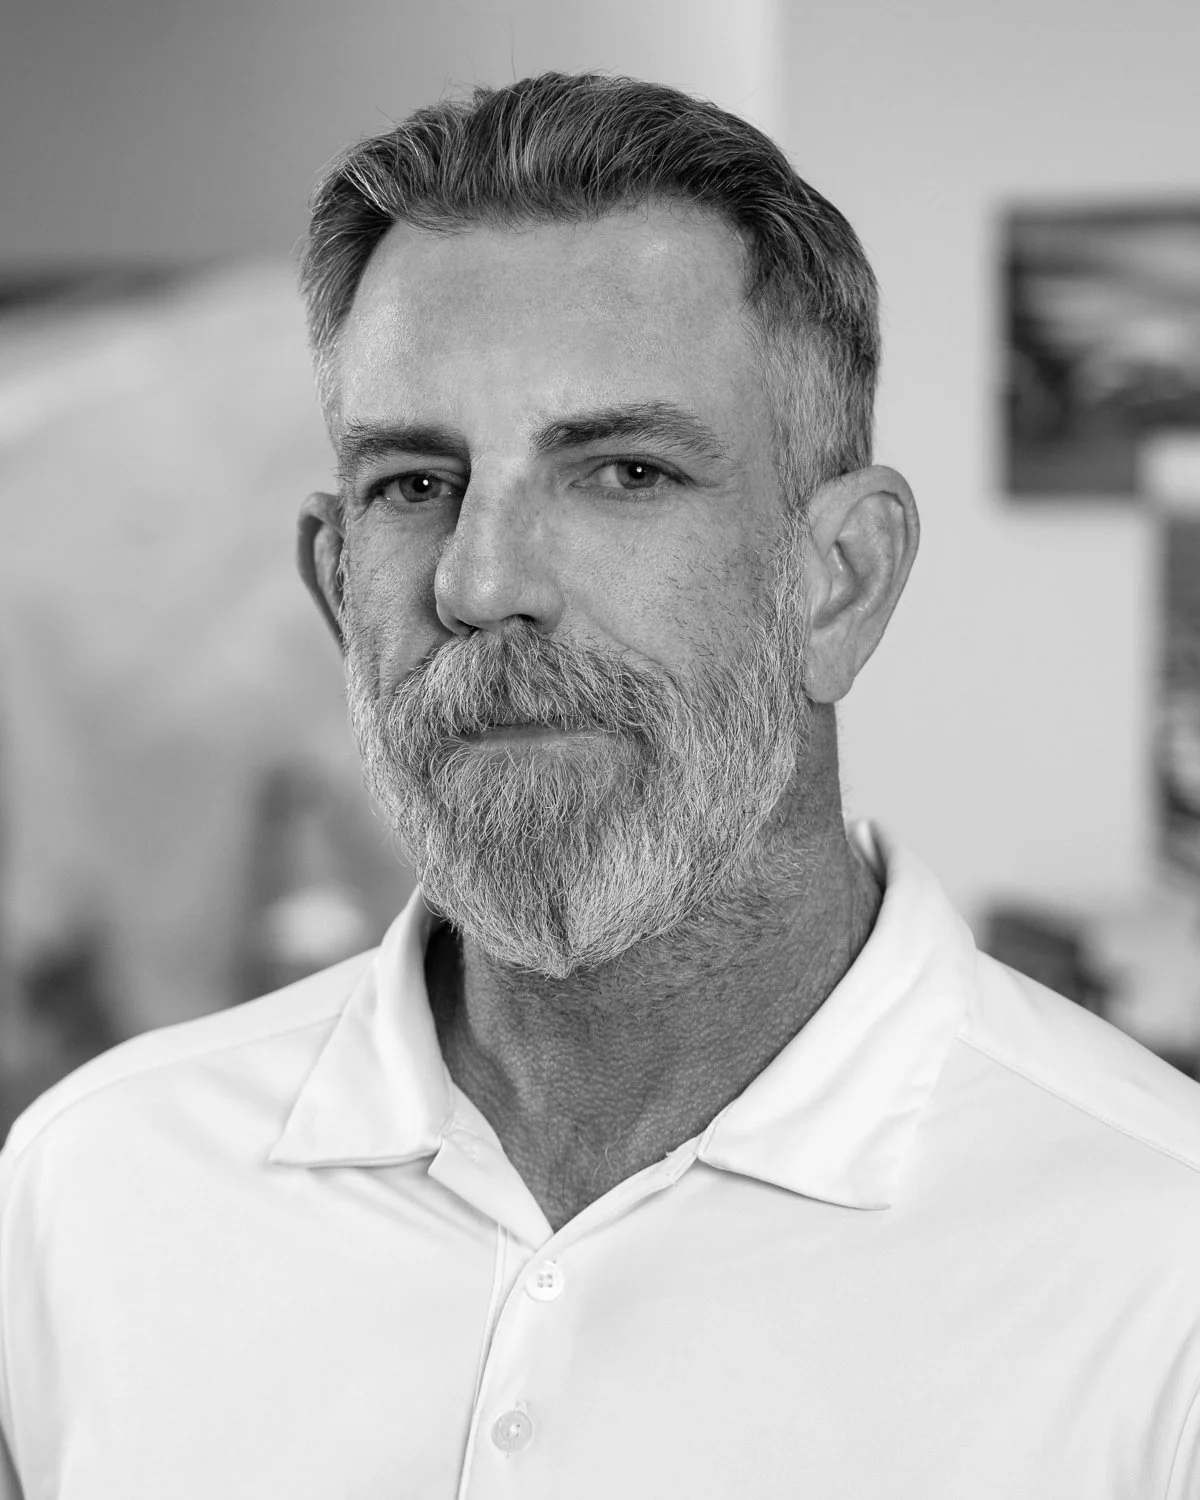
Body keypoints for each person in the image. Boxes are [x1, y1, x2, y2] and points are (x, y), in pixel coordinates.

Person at [1, 71, 1198, 1500]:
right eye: (412, 482)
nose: (483, 583)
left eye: (623, 472)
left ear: (844, 582)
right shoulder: (98, 1189)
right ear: (334, 585)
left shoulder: (1157, 1262)